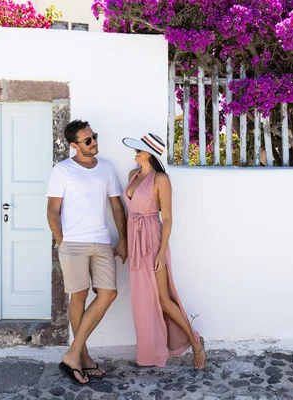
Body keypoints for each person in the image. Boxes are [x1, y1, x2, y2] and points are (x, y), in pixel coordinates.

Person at [46, 120, 127, 385]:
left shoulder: (105, 168)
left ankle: (72, 354)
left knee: (108, 294)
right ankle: (84, 356)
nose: (94, 142)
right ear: (74, 145)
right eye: (88, 140)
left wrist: (123, 239)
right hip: (73, 243)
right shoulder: (63, 170)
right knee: (79, 295)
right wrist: (62, 242)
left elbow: (116, 207)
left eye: (94, 137)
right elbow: (53, 210)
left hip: (101, 241)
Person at [122, 133, 207, 369]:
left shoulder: (161, 179)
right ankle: (150, 352)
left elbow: (167, 219)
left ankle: (196, 342)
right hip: (135, 240)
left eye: (140, 149)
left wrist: (160, 254)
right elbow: (130, 211)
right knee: (142, 300)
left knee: (163, 298)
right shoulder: (133, 175)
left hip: (152, 239)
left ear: (150, 153)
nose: (136, 153)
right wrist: (126, 243)